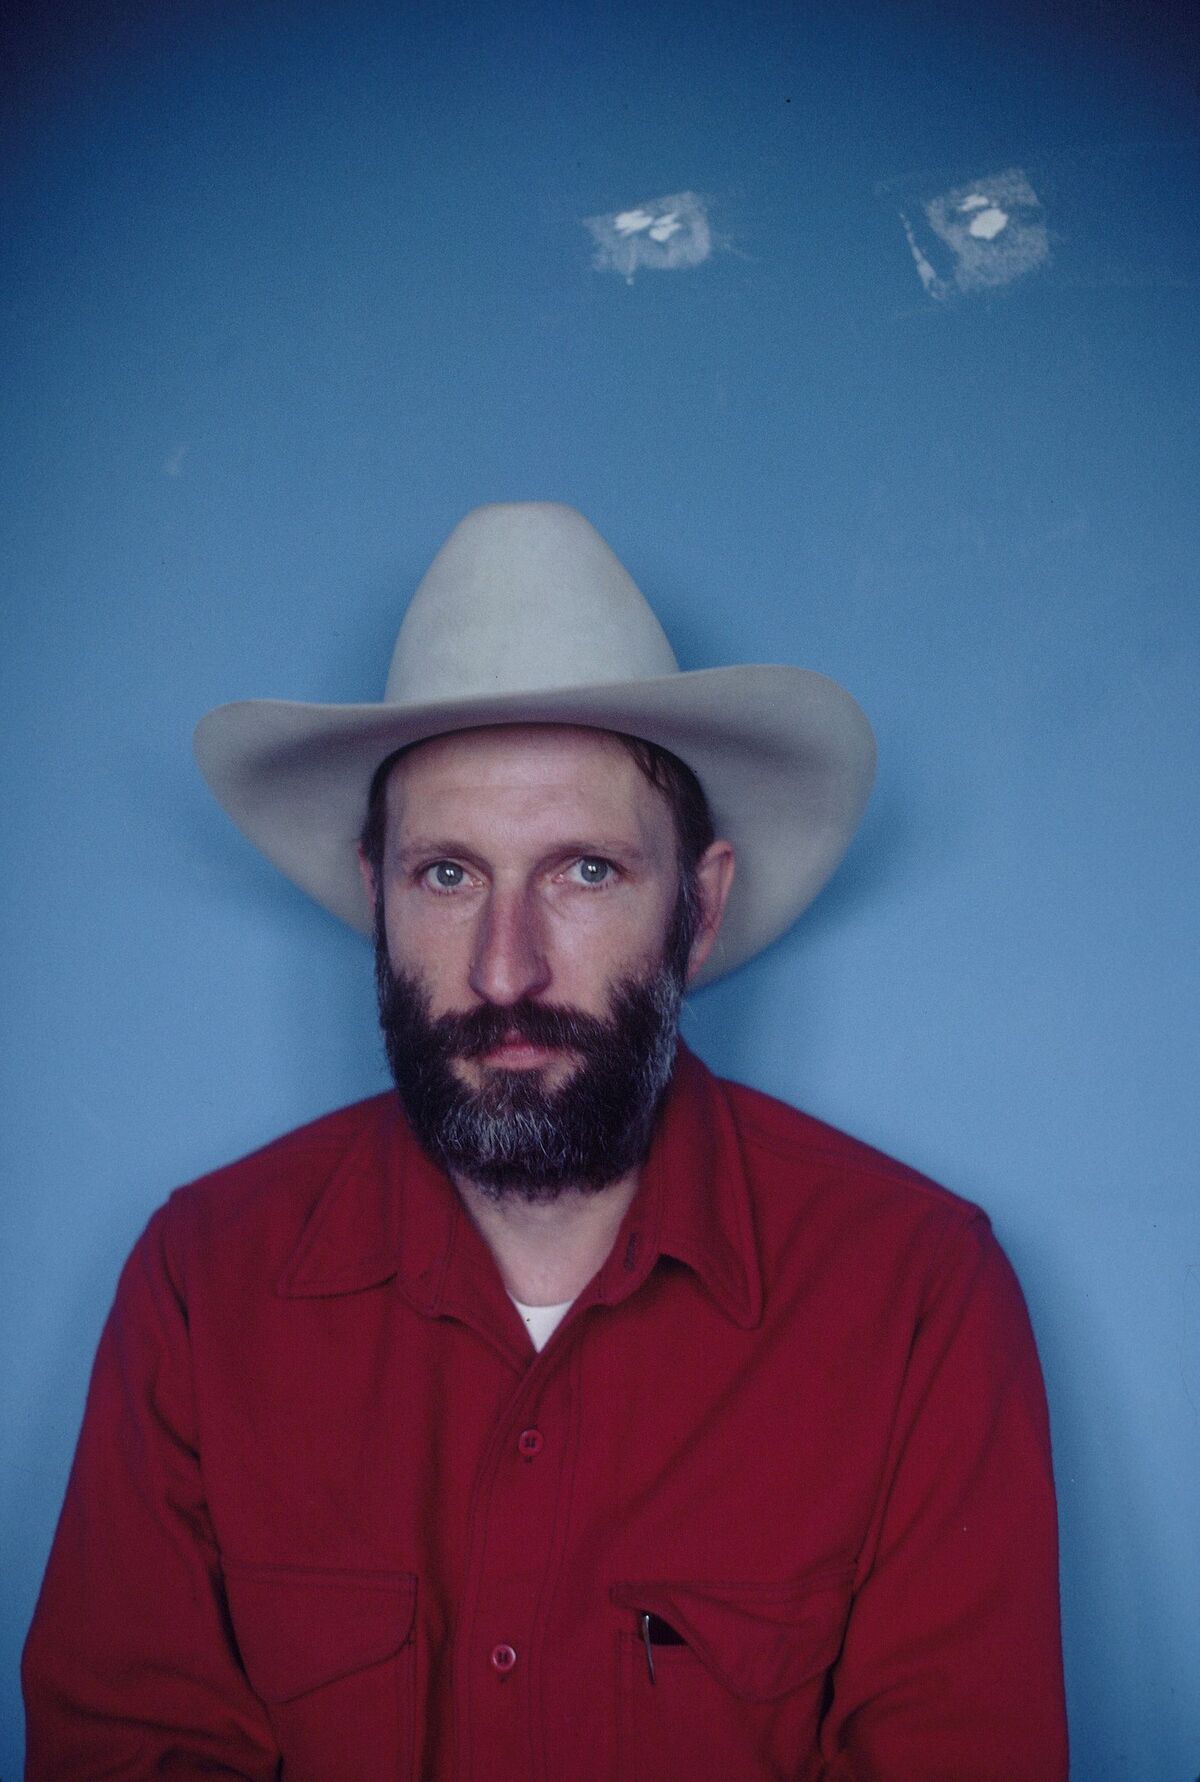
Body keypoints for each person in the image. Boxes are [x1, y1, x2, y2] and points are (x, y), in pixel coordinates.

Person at [22, 503, 1068, 1779]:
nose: (505, 968)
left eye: (583, 872)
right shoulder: (201, 1284)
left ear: (700, 905)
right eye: (449, 876)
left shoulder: (915, 1295)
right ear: (377, 896)